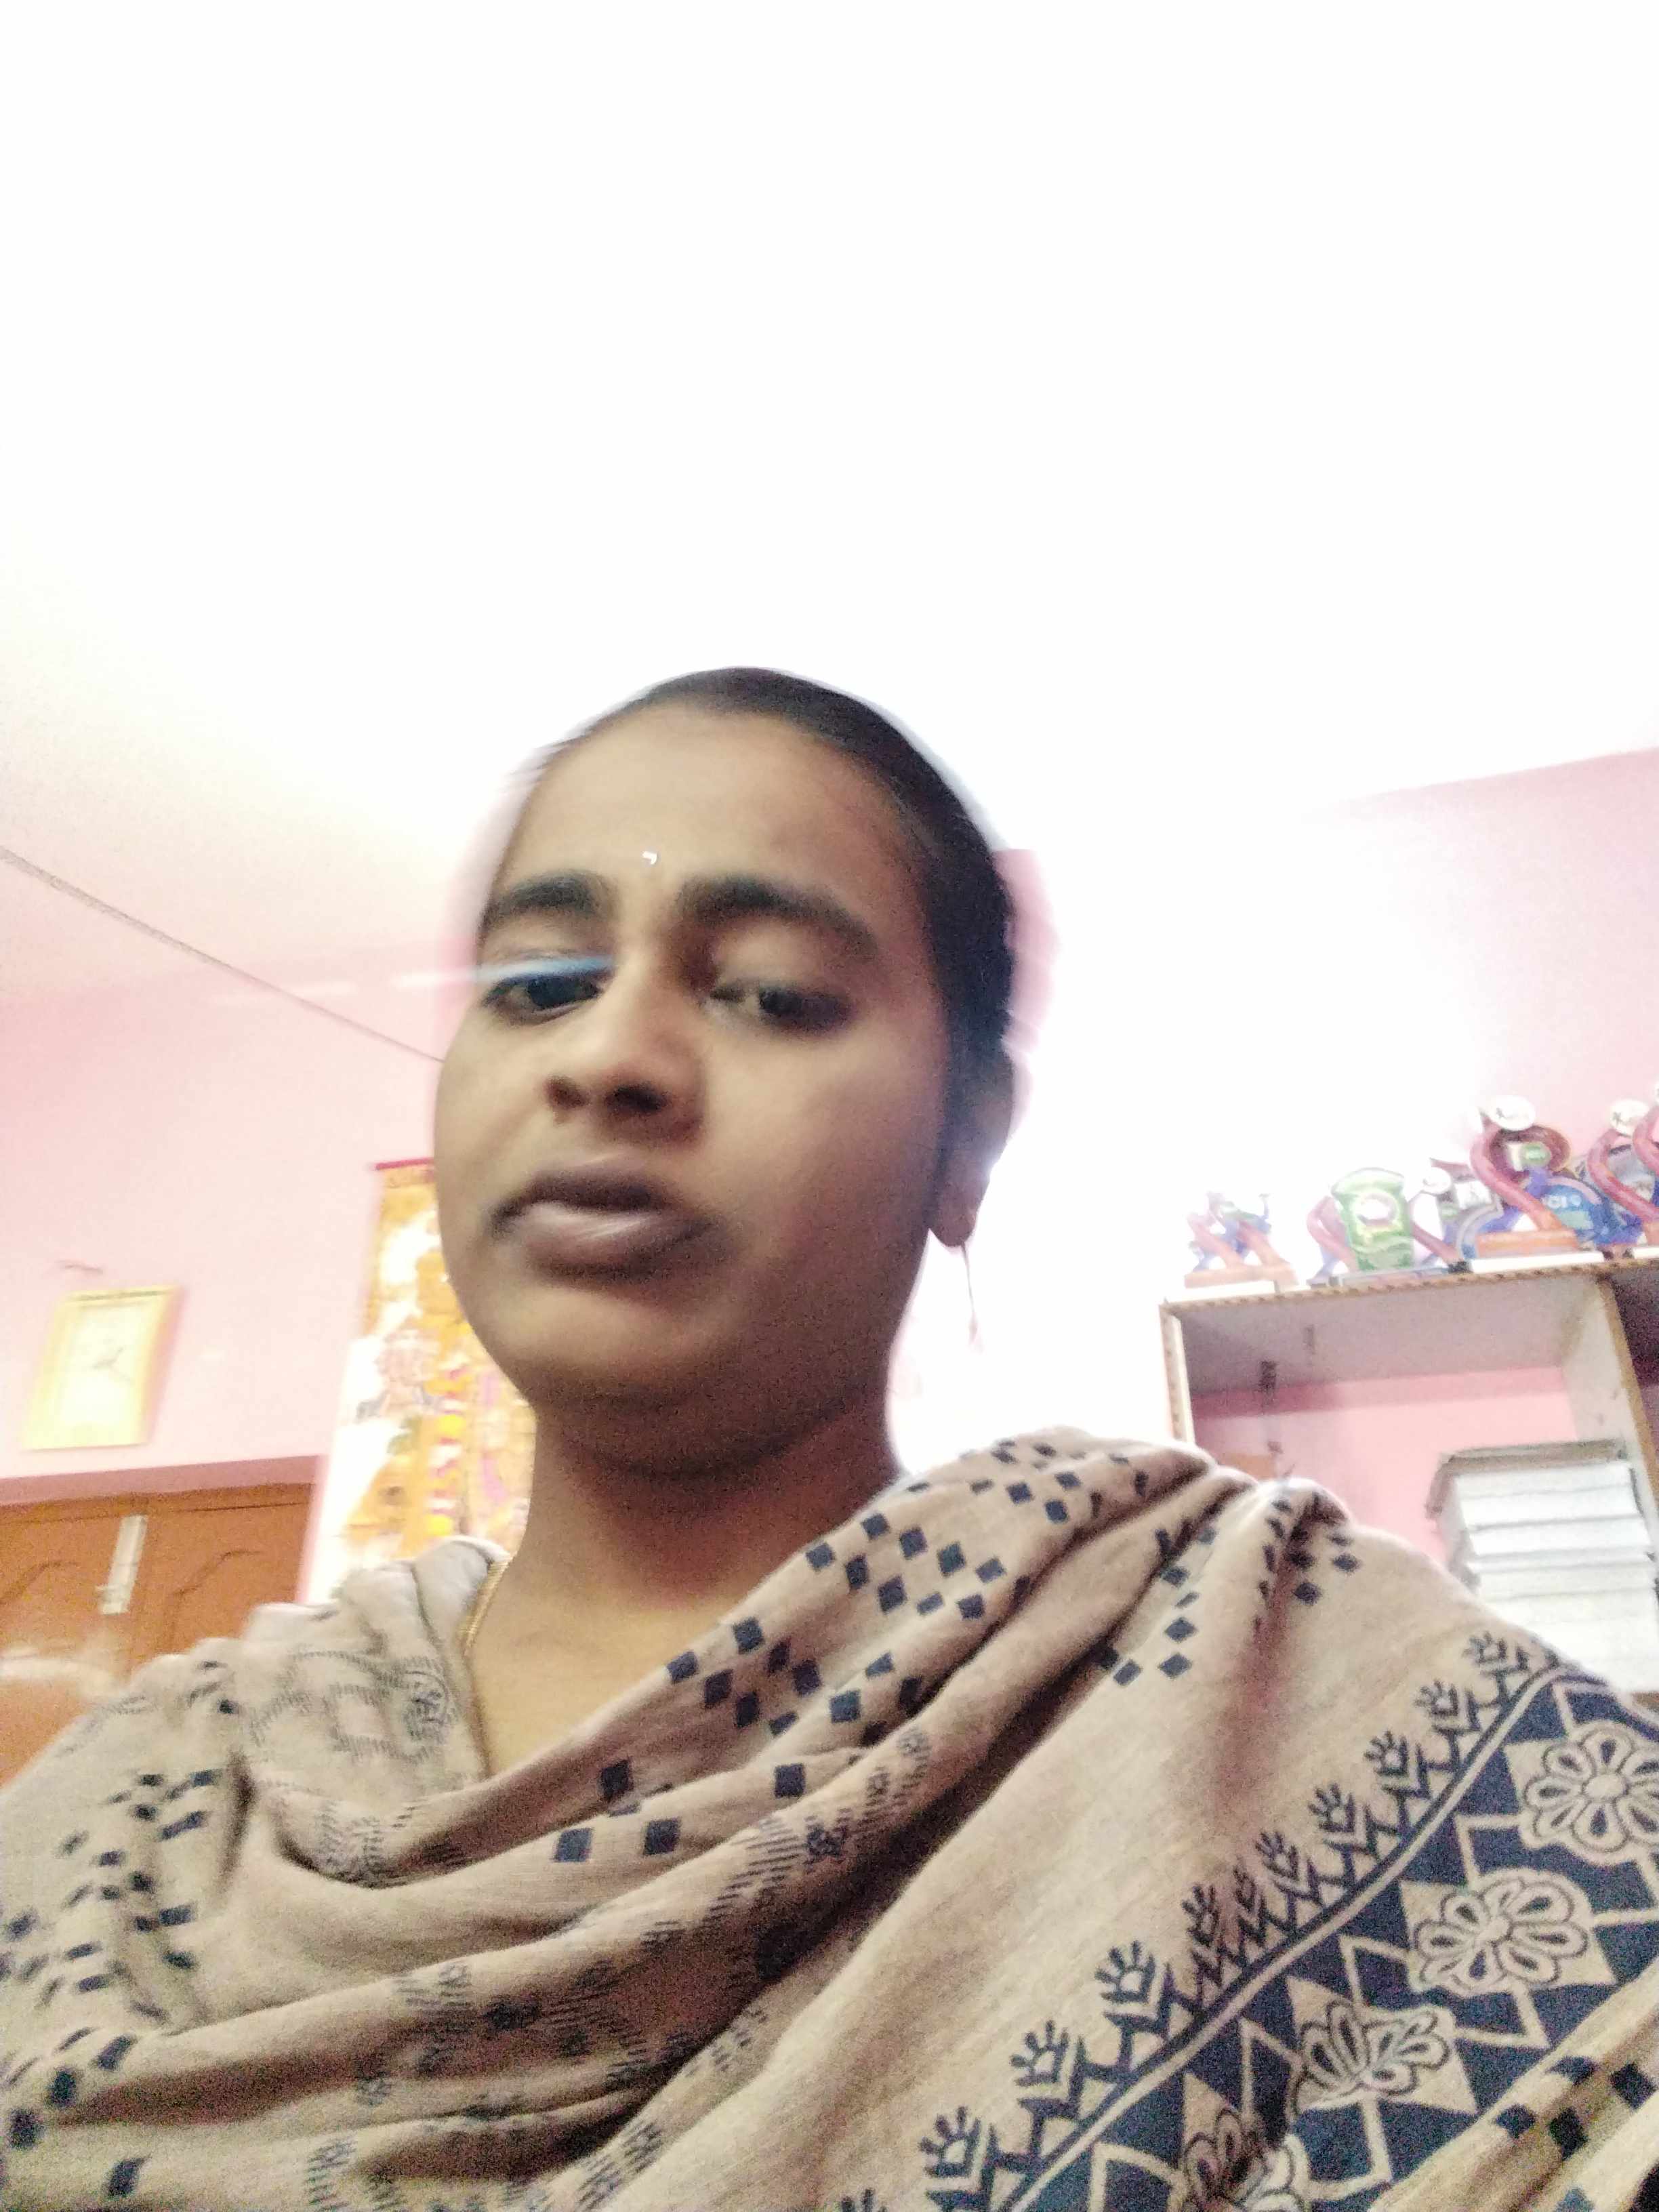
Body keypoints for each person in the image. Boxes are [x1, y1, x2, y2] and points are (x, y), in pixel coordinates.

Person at [2, 670, 1656, 2211]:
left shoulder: (1270, 1665)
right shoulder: (146, 1803)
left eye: (774, 995)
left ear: (969, 1139)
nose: (608, 1056)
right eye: (539, 984)